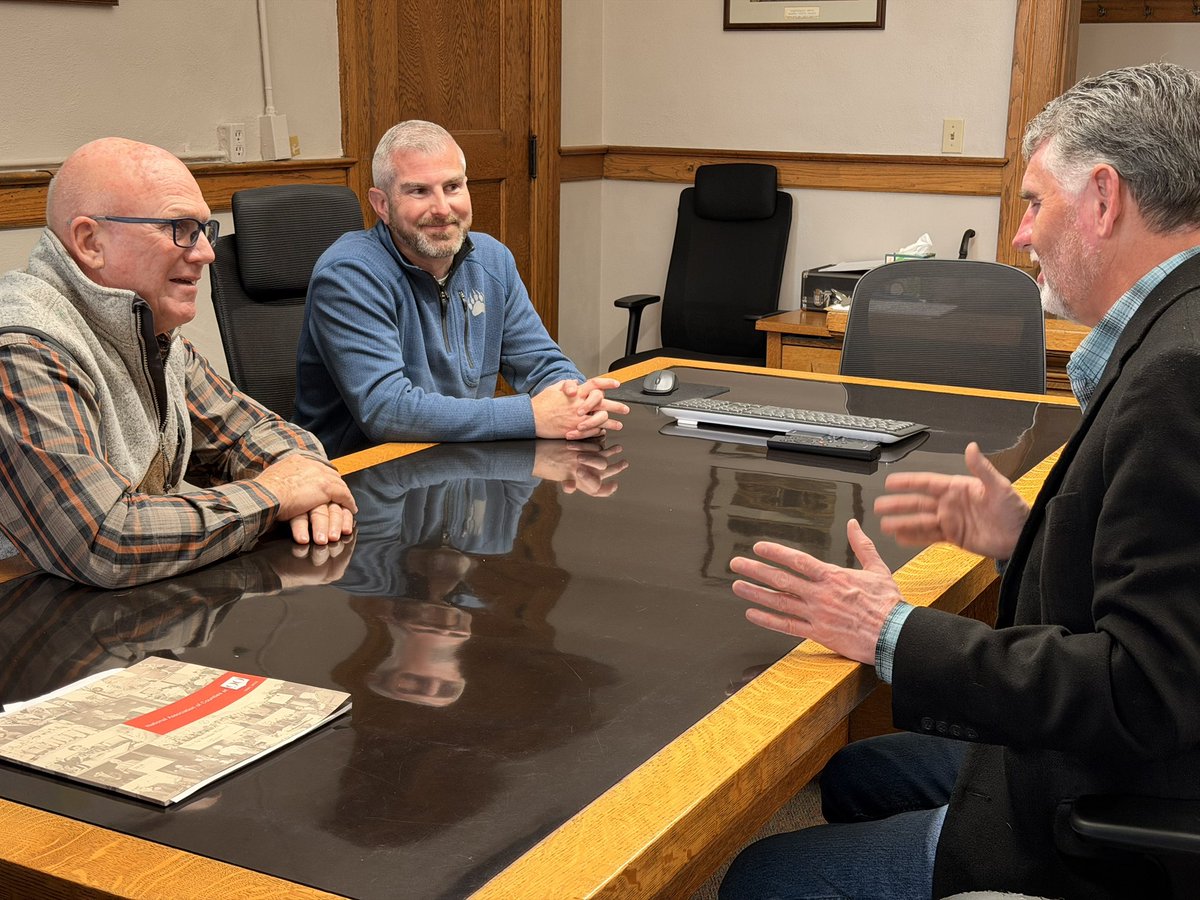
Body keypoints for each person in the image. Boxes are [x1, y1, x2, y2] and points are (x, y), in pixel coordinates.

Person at [720, 62, 1200, 900]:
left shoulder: (1178, 375)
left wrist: (890, 630)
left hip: (1112, 815)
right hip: (1124, 764)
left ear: (1103, 198)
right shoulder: (1178, 328)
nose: (1021, 236)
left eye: (1034, 203)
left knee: (761, 875)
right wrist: (1027, 538)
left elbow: (1144, 690)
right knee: (855, 776)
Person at [0, 137, 356, 590]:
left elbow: (249, 433)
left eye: (204, 230)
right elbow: (103, 539)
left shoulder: (148, 327)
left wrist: (308, 478)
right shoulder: (21, 347)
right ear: (90, 242)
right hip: (25, 615)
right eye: (180, 228)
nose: (207, 253)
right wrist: (275, 494)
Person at [293, 119, 628, 458]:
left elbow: (541, 362)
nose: (442, 209)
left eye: (452, 187)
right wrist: (531, 415)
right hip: (360, 479)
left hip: (457, 462)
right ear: (382, 205)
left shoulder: (492, 260)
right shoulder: (349, 275)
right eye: (418, 191)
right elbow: (386, 409)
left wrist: (578, 402)